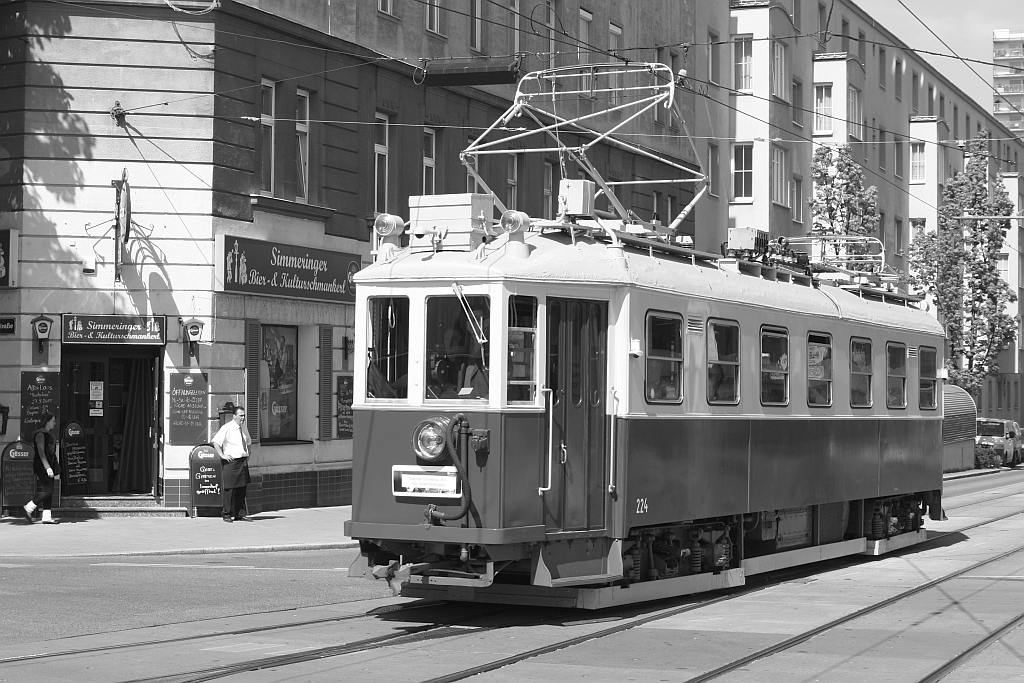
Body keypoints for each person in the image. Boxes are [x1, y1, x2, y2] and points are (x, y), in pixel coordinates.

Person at [211, 406, 252, 522]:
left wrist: (249, 453)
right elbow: (216, 442)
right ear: (234, 416)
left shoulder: (244, 427)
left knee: (242, 489)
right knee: (229, 489)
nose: (243, 418)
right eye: (240, 415)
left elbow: (248, 442)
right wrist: (222, 455)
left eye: (244, 415)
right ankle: (227, 514)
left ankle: (240, 513)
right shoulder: (227, 428)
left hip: (242, 461)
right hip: (231, 462)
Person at [23, 412, 59, 524]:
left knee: (49, 490)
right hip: (42, 466)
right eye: (53, 421)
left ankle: (47, 516)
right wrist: (47, 468)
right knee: (49, 490)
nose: (55, 423)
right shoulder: (40, 434)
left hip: (48, 465)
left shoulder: (49, 434)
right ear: (47, 421)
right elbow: (41, 452)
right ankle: (29, 507)